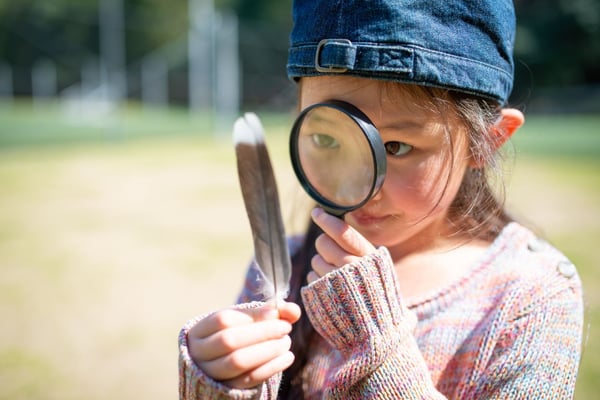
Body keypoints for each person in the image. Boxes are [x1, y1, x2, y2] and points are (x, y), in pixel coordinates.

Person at [179, 0, 584, 398]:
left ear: (488, 143)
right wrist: (222, 385)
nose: (355, 185)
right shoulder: (279, 272)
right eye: (325, 139)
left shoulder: (533, 296)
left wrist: (380, 351)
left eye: (395, 147)